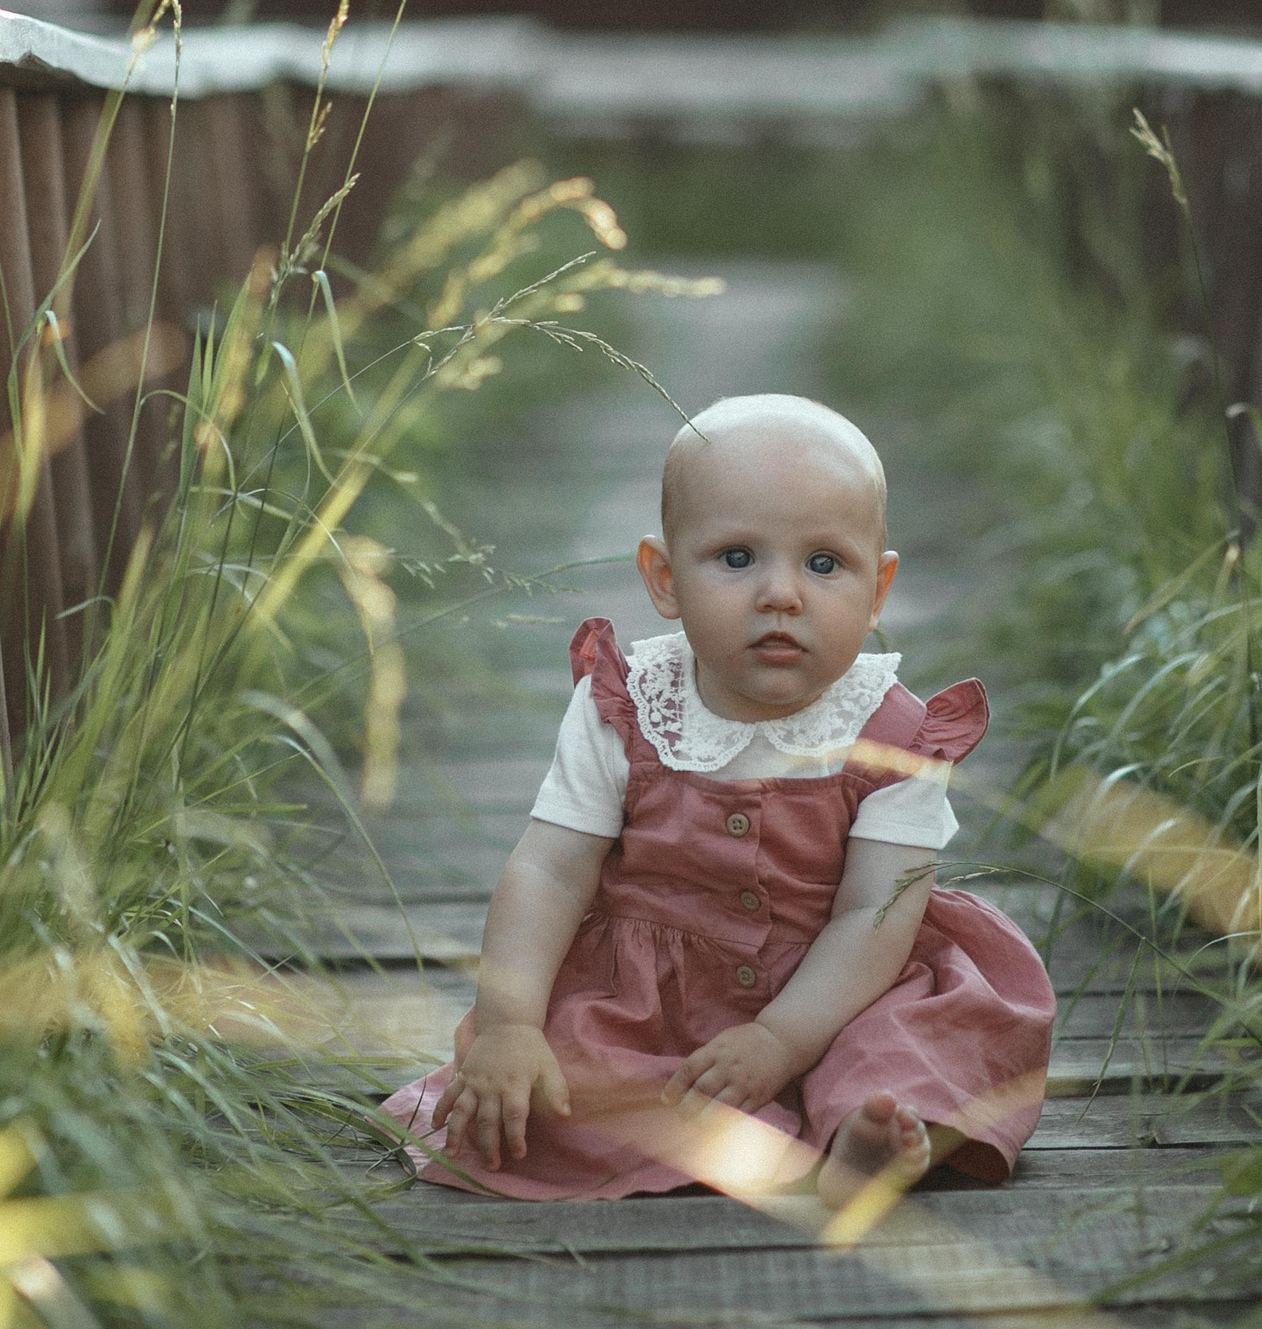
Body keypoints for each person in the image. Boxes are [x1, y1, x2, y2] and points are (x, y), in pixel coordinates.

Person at [380, 394, 1056, 1207]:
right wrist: (509, 1022)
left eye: (823, 563)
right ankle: (760, 1146)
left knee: (914, 1034)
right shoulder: (626, 708)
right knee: (566, 1083)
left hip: (842, 982)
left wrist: (780, 1038)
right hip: (656, 1007)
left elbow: (876, 914)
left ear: (878, 590)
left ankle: (862, 1137)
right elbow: (551, 872)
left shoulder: (896, 735)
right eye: (737, 558)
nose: (781, 593)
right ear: (664, 579)